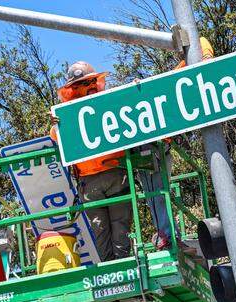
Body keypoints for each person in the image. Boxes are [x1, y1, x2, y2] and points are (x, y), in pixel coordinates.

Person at [50, 61, 132, 262]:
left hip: (114, 174)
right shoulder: (66, 114)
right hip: (90, 183)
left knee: (119, 228)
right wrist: (55, 126)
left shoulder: (109, 105)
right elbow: (56, 136)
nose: (88, 87)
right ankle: (111, 272)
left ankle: (122, 269)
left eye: (91, 82)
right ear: (72, 89)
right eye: (81, 85)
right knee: (101, 231)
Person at [139, 37, 216, 250]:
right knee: (158, 193)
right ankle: (169, 234)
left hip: (159, 145)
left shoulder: (196, 50)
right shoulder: (176, 76)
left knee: (158, 193)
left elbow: (206, 59)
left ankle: (168, 235)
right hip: (155, 144)